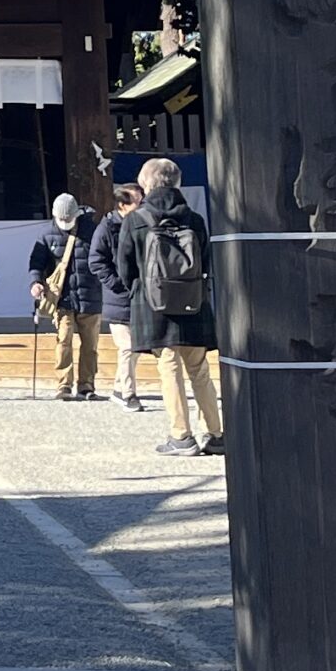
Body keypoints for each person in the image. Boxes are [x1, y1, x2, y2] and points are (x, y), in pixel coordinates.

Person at [118, 155, 221, 457]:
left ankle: (181, 436)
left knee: (169, 368)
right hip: (193, 302)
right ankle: (216, 434)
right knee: (200, 371)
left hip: (155, 305)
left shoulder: (135, 220)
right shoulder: (195, 219)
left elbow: (125, 269)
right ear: (178, 183)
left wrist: (142, 290)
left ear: (145, 183)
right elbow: (205, 259)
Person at [29, 193, 105, 401]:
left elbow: (104, 258)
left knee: (90, 345)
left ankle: (86, 385)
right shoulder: (46, 234)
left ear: (76, 214)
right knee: (63, 341)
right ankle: (63, 384)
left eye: (67, 219)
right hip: (62, 297)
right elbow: (36, 263)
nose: (63, 223)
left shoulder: (93, 231)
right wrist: (36, 282)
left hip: (90, 295)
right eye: (60, 219)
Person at [89, 182, 145, 409]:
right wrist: (116, 285)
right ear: (122, 205)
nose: (141, 206)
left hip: (139, 296)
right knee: (128, 346)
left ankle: (118, 387)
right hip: (118, 298)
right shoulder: (106, 228)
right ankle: (128, 394)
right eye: (136, 202)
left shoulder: (142, 225)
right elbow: (96, 260)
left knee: (135, 349)